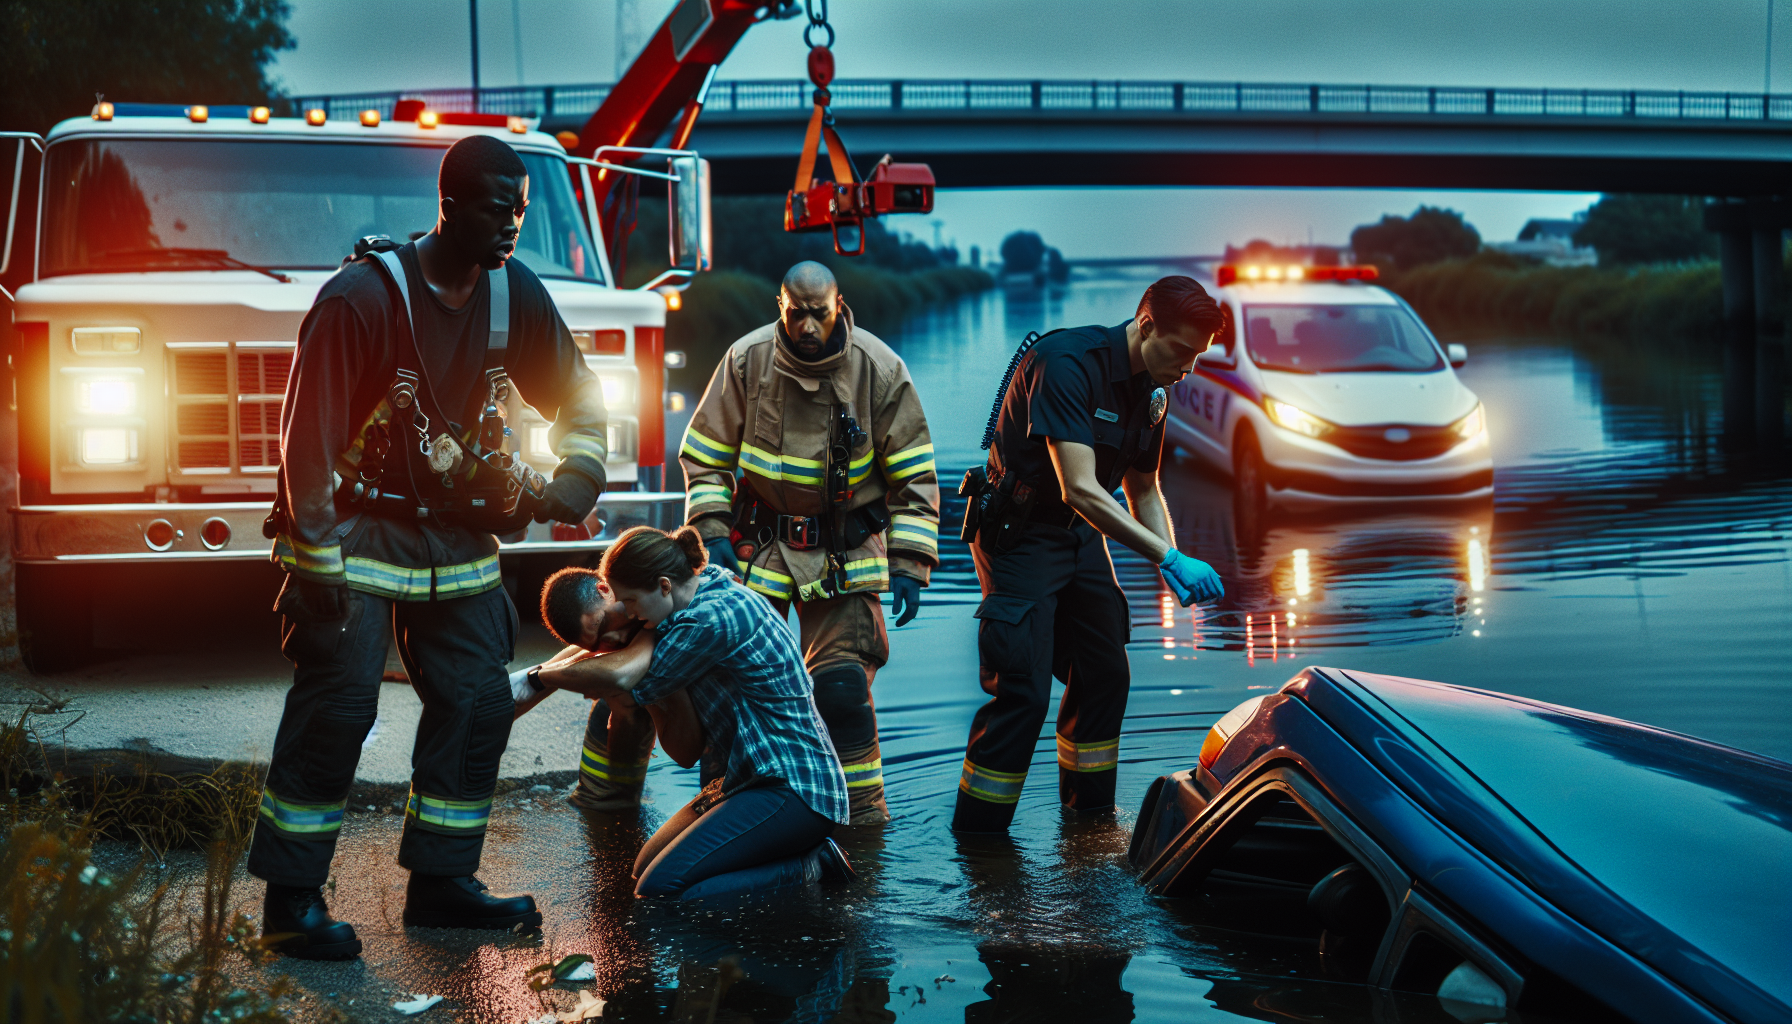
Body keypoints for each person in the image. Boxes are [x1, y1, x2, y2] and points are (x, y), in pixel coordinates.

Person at [249, 135, 611, 959]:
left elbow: (580, 393)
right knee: (339, 708)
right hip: (359, 529)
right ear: (448, 204)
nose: (513, 224)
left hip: (457, 535)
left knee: (479, 701)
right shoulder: (362, 298)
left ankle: (442, 885)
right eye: (496, 207)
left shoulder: (514, 293)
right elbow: (306, 440)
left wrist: (577, 477)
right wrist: (312, 563)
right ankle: (291, 904)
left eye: (521, 209)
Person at [601, 260, 938, 826]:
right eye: (797, 313)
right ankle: (700, 806)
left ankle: (858, 826)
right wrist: (711, 532)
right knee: (718, 683)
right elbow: (705, 457)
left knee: (840, 693)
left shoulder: (880, 369)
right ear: (779, 306)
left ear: (839, 307)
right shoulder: (745, 360)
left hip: (844, 556)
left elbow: (915, 477)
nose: (808, 327)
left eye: (820, 314)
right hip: (758, 548)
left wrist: (909, 562)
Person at [952, 276, 1228, 834]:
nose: (1188, 369)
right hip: (1018, 533)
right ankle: (979, 841)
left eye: (1198, 357)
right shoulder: (1066, 363)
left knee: (1105, 671)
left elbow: (1143, 488)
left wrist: (1167, 558)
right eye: (1182, 352)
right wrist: (1170, 560)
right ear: (1146, 326)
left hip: (1079, 535)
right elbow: (1080, 486)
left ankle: (1089, 824)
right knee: (1022, 693)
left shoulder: (1153, 389)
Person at [542, 526, 855, 899]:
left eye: (631, 603)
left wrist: (539, 677)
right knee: (643, 870)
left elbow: (617, 677)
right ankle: (782, 859)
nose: (630, 615)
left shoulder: (707, 620)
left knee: (662, 888)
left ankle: (811, 866)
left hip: (794, 788)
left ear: (662, 585)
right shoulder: (693, 595)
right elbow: (686, 752)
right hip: (749, 780)